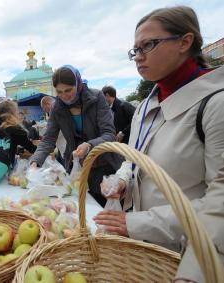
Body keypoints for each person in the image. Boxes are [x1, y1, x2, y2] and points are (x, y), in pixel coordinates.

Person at [93, 6, 224, 263]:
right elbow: (134, 159)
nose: (138, 57)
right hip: (147, 252)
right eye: (135, 50)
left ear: (185, 42)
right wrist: (121, 181)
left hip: (192, 255)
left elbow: (218, 205)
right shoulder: (145, 105)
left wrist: (136, 223)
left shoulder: (216, 106)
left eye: (148, 45)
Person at [30, 65, 123, 207]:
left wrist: (90, 145)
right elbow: (49, 138)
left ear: (78, 84)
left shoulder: (96, 98)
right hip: (77, 167)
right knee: (79, 207)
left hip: (104, 165)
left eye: (68, 90)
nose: (64, 95)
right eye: (59, 92)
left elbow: (109, 134)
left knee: (102, 209)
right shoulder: (57, 107)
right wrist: (35, 162)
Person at [40, 96, 66, 165]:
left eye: (43, 107)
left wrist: (44, 131)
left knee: (66, 169)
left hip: (66, 146)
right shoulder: (54, 112)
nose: (43, 110)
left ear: (48, 104)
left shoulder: (57, 110)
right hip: (61, 146)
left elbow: (54, 131)